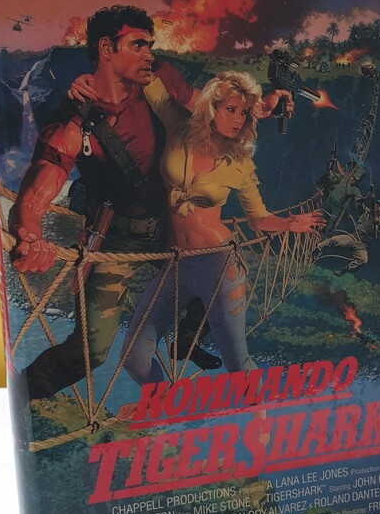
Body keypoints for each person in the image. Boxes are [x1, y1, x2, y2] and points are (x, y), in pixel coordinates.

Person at [9, 5, 293, 401]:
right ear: (106, 49)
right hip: (114, 240)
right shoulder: (74, 121)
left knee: (214, 278)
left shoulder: (159, 77)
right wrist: (28, 232)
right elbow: (43, 181)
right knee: (91, 351)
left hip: (171, 230)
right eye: (138, 45)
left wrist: (261, 107)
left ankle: (190, 336)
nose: (149, 54)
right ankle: (18, 397)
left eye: (150, 45)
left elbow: (206, 107)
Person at [121, 70, 323, 387]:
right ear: (211, 106)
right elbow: (148, 74)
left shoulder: (239, 163)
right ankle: (159, 403)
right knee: (134, 358)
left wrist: (288, 223)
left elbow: (257, 218)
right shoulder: (179, 126)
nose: (238, 120)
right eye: (231, 109)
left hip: (218, 266)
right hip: (174, 264)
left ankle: (261, 415)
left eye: (244, 113)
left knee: (238, 365)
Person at [316, 190, 380, 276]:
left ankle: (345, 269)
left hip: (363, 245)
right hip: (354, 237)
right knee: (334, 240)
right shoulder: (365, 211)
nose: (375, 208)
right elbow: (358, 202)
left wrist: (378, 223)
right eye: (374, 206)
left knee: (363, 260)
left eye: (378, 207)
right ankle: (317, 249)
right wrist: (366, 197)